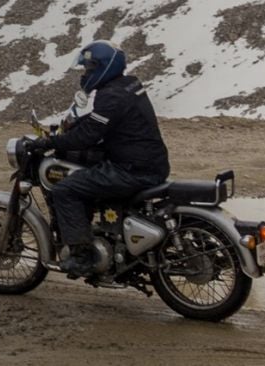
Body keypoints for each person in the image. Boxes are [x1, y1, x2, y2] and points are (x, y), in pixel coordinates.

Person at [29, 40, 170, 277]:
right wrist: (74, 126)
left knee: (66, 190)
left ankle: (82, 256)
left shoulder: (111, 95)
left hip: (131, 170)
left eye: (89, 69)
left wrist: (49, 142)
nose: (86, 74)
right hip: (150, 163)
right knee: (88, 178)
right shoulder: (128, 85)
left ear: (103, 67)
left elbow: (88, 135)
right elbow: (99, 121)